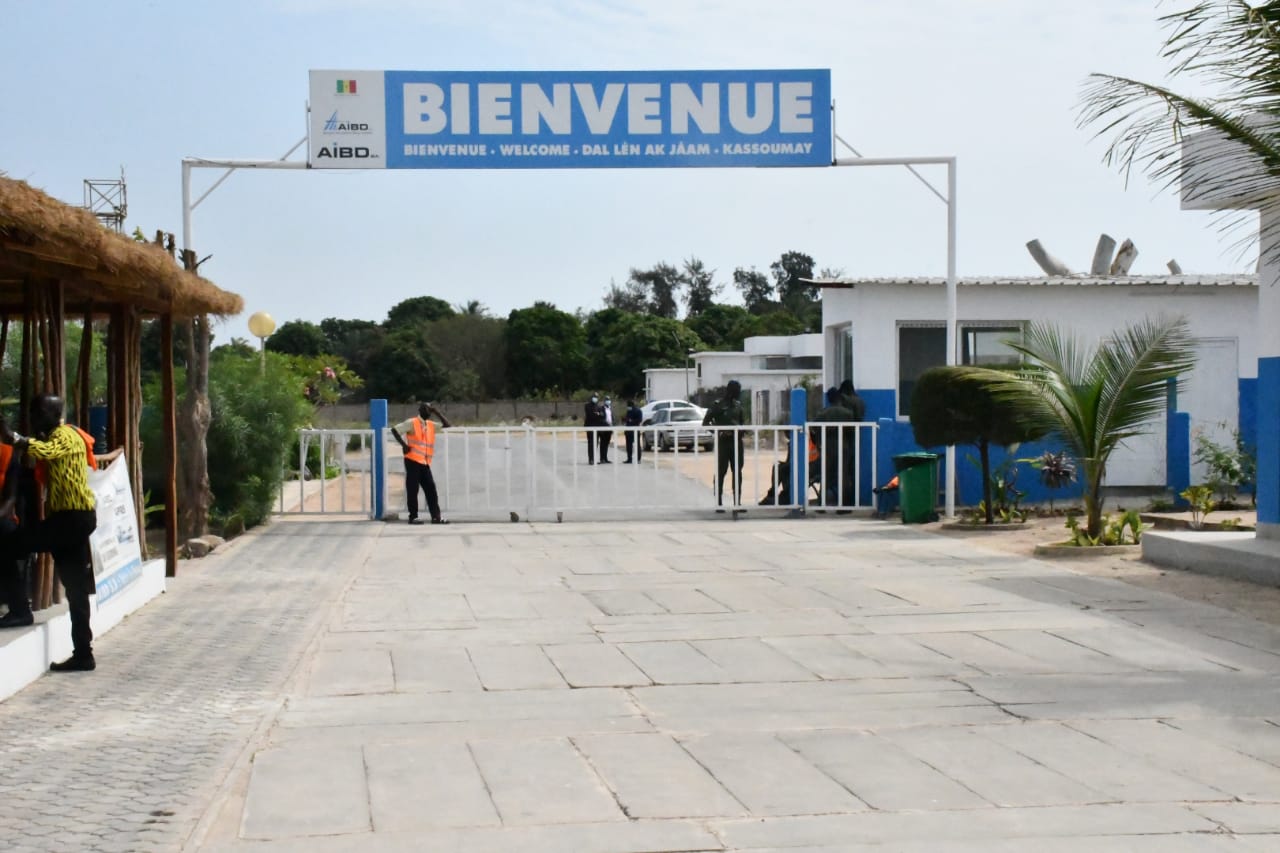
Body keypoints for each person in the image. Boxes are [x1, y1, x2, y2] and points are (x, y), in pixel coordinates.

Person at [0, 395, 98, 671]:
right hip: (71, 522)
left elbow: (47, 451)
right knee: (76, 589)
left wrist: (14, 438)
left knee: (9, 543)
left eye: (37, 411)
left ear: (53, 413)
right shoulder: (62, 434)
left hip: (70, 521)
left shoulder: (65, 435)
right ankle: (83, 653)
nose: (33, 416)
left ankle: (19, 610)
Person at [390, 402, 451, 525]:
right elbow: (395, 430)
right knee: (413, 489)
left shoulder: (430, 425)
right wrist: (404, 445)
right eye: (427, 409)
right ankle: (413, 517)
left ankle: (436, 517)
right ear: (421, 410)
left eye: (430, 409)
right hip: (412, 460)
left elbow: (447, 425)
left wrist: (436, 412)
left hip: (424, 462)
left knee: (431, 490)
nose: (428, 411)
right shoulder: (412, 422)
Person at [0, 435, 31, 628]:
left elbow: (10, 498)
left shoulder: (8, 454)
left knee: (4, 535)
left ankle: (20, 611)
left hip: (3, 518)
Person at [703, 380, 746, 511]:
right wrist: (719, 431)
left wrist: (741, 430)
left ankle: (737, 503)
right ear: (731, 390)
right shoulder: (718, 405)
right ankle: (719, 502)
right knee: (721, 472)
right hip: (723, 443)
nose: (739, 392)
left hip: (736, 442)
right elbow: (706, 423)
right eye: (737, 390)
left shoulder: (738, 406)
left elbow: (743, 423)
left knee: (737, 472)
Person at [812, 387, 857, 509]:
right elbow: (852, 432)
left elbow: (813, 427)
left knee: (825, 475)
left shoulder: (823, 413)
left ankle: (821, 505)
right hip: (843, 446)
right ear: (839, 397)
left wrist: (818, 443)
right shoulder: (848, 413)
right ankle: (843, 506)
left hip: (827, 447)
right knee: (843, 476)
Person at [583, 393, 605, 464]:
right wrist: (597, 414)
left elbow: (602, 415)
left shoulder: (599, 406)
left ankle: (594, 458)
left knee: (596, 443)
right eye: (594, 397)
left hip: (597, 427)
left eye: (597, 397)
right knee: (591, 443)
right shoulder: (587, 406)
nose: (595, 398)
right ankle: (591, 459)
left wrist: (597, 414)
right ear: (591, 398)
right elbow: (590, 415)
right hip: (590, 426)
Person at [623, 398, 644, 463]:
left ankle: (636, 459)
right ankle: (631, 459)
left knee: (635, 445)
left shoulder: (637, 411)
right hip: (629, 430)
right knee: (630, 445)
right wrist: (625, 419)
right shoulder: (630, 410)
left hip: (634, 430)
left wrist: (630, 421)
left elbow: (639, 420)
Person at [598, 396, 615, 464]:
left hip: (610, 429)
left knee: (607, 444)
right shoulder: (601, 408)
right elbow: (601, 418)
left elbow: (612, 418)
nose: (608, 401)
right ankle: (602, 459)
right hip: (604, 429)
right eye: (607, 400)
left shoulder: (610, 409)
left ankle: (605, 458)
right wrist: (607, 424)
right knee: (603, 444)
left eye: (609, 400)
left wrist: (612, 425)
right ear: (604, 401)